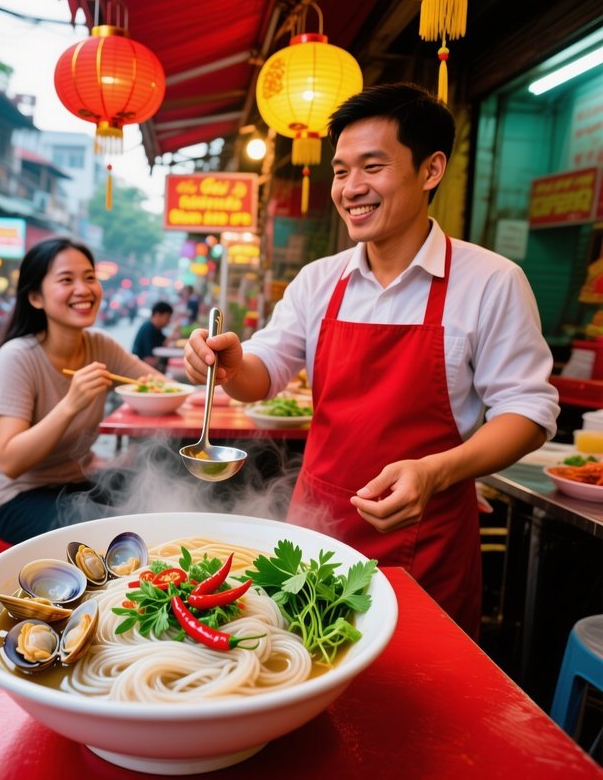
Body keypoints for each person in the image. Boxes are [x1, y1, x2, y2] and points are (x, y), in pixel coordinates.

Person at [183, 82, 559, 638]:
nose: (351, 188)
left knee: (417, 702)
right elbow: (265, 370)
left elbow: (528, 413)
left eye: (373, 167)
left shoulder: (491, 281)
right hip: (314, 537)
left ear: (430, 171)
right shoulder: (320, 279)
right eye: (340, 171)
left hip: (425, 540)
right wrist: (232, 366)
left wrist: (437, 471)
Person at [0, 237, 160, 544]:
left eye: (90, 277)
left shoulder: (99, 345)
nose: (83, 289)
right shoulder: (17, 358)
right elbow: (10, 462)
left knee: (161, 494)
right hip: (16, 497)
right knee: (121, 536)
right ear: (36, 297)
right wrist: (69, 404)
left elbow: (159, 387)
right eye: (66, 280)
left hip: (75, 480)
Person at [131, 300, 176, 368]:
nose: (168, 322)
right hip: (140, 368)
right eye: (167, 318)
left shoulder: (156, 329)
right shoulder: (147, 329)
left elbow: (164, 343)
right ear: (158, 315)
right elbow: (149, 361)